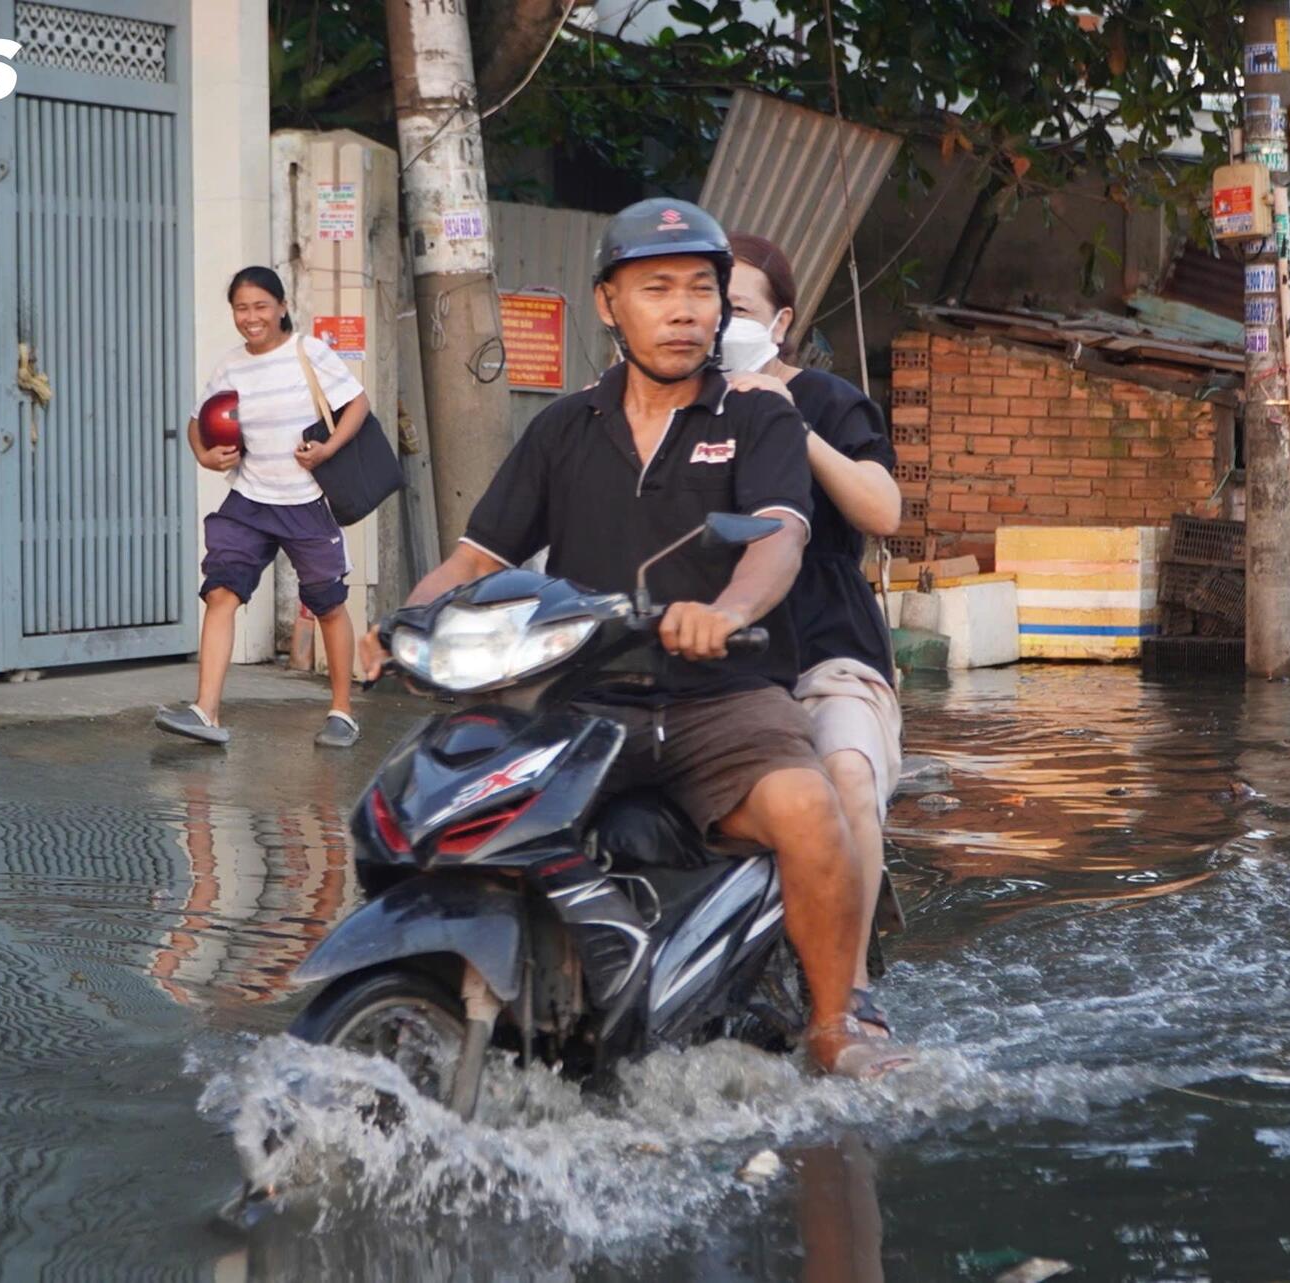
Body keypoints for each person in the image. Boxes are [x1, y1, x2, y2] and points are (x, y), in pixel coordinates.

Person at [359, 199, 905, 1079]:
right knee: (459, 801)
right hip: (582, 701)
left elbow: (780, 536)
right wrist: (401, 625)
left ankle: (838, 1021)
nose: (685, 309)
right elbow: (472, 557)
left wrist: (727, 612)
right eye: (658, 289)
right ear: (609, 303)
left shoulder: (758, 418)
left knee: (810, 809)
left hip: (723, 697)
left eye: (702, 289)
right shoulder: (564, 428)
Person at [720, 234, 907, 1039]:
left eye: (736, 308)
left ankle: (852, 987)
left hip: (830, 641)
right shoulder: (677, 404)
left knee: (847, 774)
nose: (718, 322)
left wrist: (789, 425)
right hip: (726, 645)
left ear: (780, 319)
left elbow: (883, 510)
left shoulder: (829, 400)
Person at [157, 266, 371, 749]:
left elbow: (357, 403)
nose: (251, 318)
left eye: (260, 306)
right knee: (220, 594)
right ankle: (205, 713)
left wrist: (328, 448)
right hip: (249, 500)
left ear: (281, 307)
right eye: (241, 308)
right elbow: (197, 421)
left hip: (306, 502)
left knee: (328, 606)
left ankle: (342, 712)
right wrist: (205, 455)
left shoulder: (308, 353)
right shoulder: (231, 365)